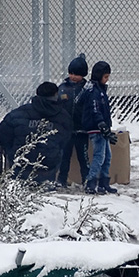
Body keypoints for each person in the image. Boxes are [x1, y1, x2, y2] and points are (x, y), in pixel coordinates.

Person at [0, 82, 72, 184]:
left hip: (20, 164)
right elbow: (65, 139)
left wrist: (12, 151)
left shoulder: (18, 113)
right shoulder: (64, 116)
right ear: (55, 95)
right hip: (48, 166)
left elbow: (3, 135)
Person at [80, 61, 118, 195]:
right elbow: (95, 110)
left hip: (102, 128)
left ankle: (103, 182)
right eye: (106, 77)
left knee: (107, 156)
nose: (107, 80)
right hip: (96, 128)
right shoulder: (94, 92)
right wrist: (102, 124)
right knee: (99, 156)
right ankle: (91, 182)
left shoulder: (99, 90)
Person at [56, 55, 90, 187]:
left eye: (77, 74)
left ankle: (86, 179)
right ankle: (62, 179)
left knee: (83, 157)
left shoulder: (87, 89)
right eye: (71, 73)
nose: (73, 76)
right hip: (67, 129)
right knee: (65, 156)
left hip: (82, 129)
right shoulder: (63, 88)